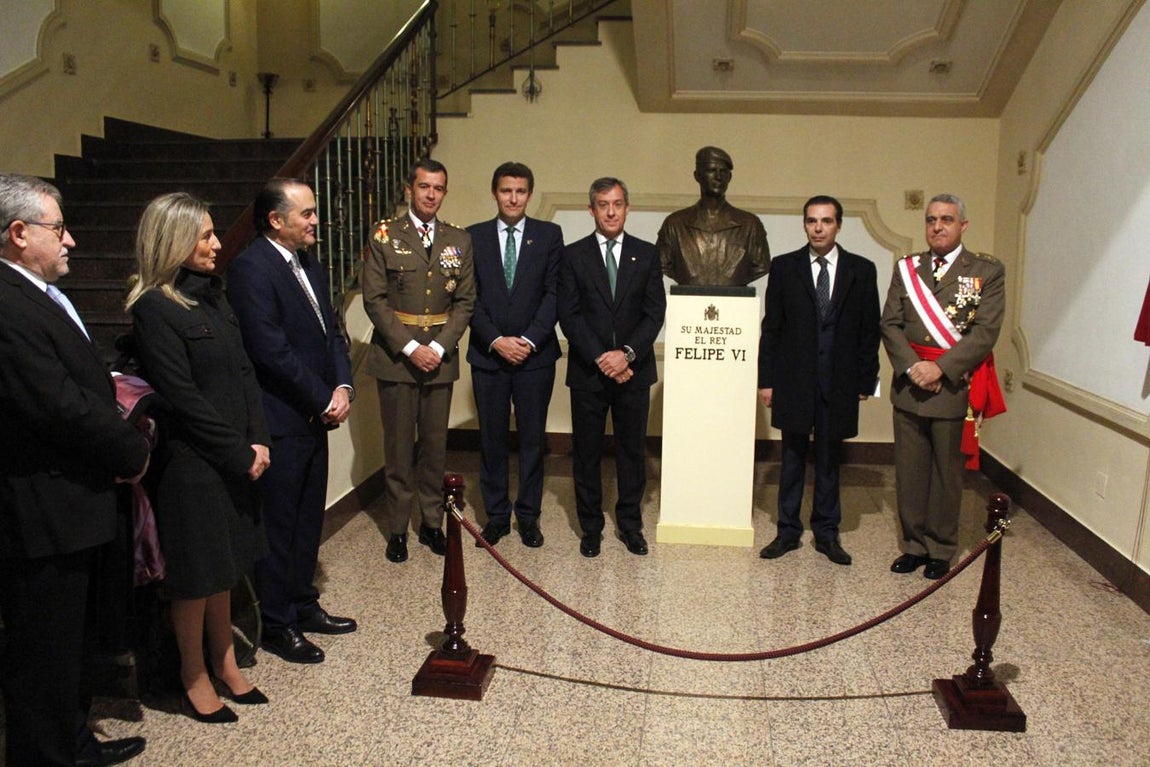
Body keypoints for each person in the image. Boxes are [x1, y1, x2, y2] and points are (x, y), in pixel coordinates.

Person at [0, 175, 149, 766]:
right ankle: (46, 755)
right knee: (43, 651)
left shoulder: (34, 293)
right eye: (58, 229)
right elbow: (57, 405)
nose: (72, 241)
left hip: (72, 502)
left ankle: (74, 741)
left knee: (70, 645)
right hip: (41, 509)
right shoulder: (8, 305)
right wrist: (130, 451)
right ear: (18, 233)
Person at [127, 192, 271, 722]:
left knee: (225, 569)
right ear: (173, 242)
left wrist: (260, 439)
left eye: (213, 233)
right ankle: (193, 676)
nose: (216, 244)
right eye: (205, 235)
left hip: (236, 456)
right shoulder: (153, 309)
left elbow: (244, 373)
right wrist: (237, 452)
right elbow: (182, 398)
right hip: (194, 465)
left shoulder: (211, 296)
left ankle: (227, 662)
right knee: (195, 578)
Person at [227, 178, 357, 665]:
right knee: (279, 525)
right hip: (281, 418)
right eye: (306, 213)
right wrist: (321, 396)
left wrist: (343, 387)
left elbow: (332, 333)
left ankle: (304, 604)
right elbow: (269, 350)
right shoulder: (251, 269)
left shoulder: (309, 263)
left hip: (315, 415)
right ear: (276, 220)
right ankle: (276, 622)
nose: (315, 221)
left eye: (314, 212)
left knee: (307, 520)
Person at [881, 194, 1005, 580]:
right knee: (910, 470)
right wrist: (913, 366)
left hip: (952, 387)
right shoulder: (907, 268)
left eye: (947, 219)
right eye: (932, 219)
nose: (937, 226)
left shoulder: (986, 270)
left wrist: (941, 368)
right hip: (910, 383)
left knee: (946, 473)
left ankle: (941, 548)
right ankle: (914, 545)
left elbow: (986, 331)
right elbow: (891, 323)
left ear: (963, 226)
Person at [757, 196, 881, 566]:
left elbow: (868, 329)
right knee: (792, 457)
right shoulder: (784, 267)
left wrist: (866, 379)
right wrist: (767, 381)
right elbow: (772, 329)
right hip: (794, 380)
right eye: (812, 221)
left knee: (829, 458)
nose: (818, 228)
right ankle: (787, 531)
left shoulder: (862, 269)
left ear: (839, 225)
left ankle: (827, 533)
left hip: (839, 380)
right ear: (805, 225)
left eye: (826, 221)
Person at [362, 158, 475, 563]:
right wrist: (412, 348)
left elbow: (465, 302)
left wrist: (439, 348)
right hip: (397, 359)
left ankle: (431, 523)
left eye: (438, 188)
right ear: (410, 188)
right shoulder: (385, 235)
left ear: (445, 192)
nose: (431, 194)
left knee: (434, 447)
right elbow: (375, 300)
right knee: (397, 449)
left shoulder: (458, 240)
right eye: (424, 186)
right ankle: (397, 529)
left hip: (440, 358)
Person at [558, 177, 666, 557]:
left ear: (627, 208)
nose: (610, 211)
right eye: (603, 204)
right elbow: (568, 315)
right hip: (589, 372)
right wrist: (603, 358)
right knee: (586, 453)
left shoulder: (647, 254)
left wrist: (627, 355)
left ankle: (631, 526)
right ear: (591, 210)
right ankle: (590, 528)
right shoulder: (572, 256)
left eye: (617, 203)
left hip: (634, 372)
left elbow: (655, 313)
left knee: (631, 452)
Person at [466, 162, 564, 548]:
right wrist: (496, 340)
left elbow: (555, 294)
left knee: (531, 439)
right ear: (495, 193)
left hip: (534, 357)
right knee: (491, 439)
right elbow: (467, 297)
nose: (513, 198)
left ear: (530, 194)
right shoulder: (473, 236)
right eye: (506, 190)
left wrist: (527, 340)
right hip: (488, 356)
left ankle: (528, 516)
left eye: (520, 191)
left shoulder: (549, 235)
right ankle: (495, 517)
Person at [656, 146, 770, 287]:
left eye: (723, 171)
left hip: (736, 307)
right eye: (711, 170)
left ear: (730, 177)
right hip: (687, 306)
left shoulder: (750, 225)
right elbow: (662, 265)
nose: (718, 177)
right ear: (697, 175)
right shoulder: (674, 225)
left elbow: (760, 266)